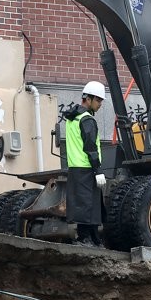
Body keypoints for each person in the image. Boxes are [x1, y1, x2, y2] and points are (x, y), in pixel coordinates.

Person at [63, 80, 108, 247]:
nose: (100, 104)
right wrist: (98, 170)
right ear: (87, 99)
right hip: (87, 167)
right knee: (90, 205)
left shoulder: (72, 118)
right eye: (98, 100)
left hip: (75, 168)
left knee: (84, 204)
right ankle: (86, 239)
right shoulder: (87, 119)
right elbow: (91, 147)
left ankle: (94, 238)